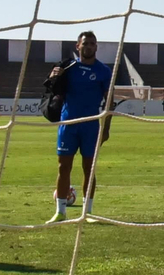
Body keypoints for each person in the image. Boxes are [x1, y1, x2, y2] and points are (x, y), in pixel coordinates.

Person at [47, 31, 117, 223]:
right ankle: (60, 212)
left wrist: (106, 127)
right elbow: (52, 89)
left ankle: (88, 213)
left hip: (91, 126)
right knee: (64, 167)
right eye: (85, 43)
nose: (88, 46)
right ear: (78, 46)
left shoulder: (103, 71)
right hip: (68, 124)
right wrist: (54, 76)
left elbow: (109, 101)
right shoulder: (68, 67)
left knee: (89, 168)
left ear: (96, 47)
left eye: (92, 44)